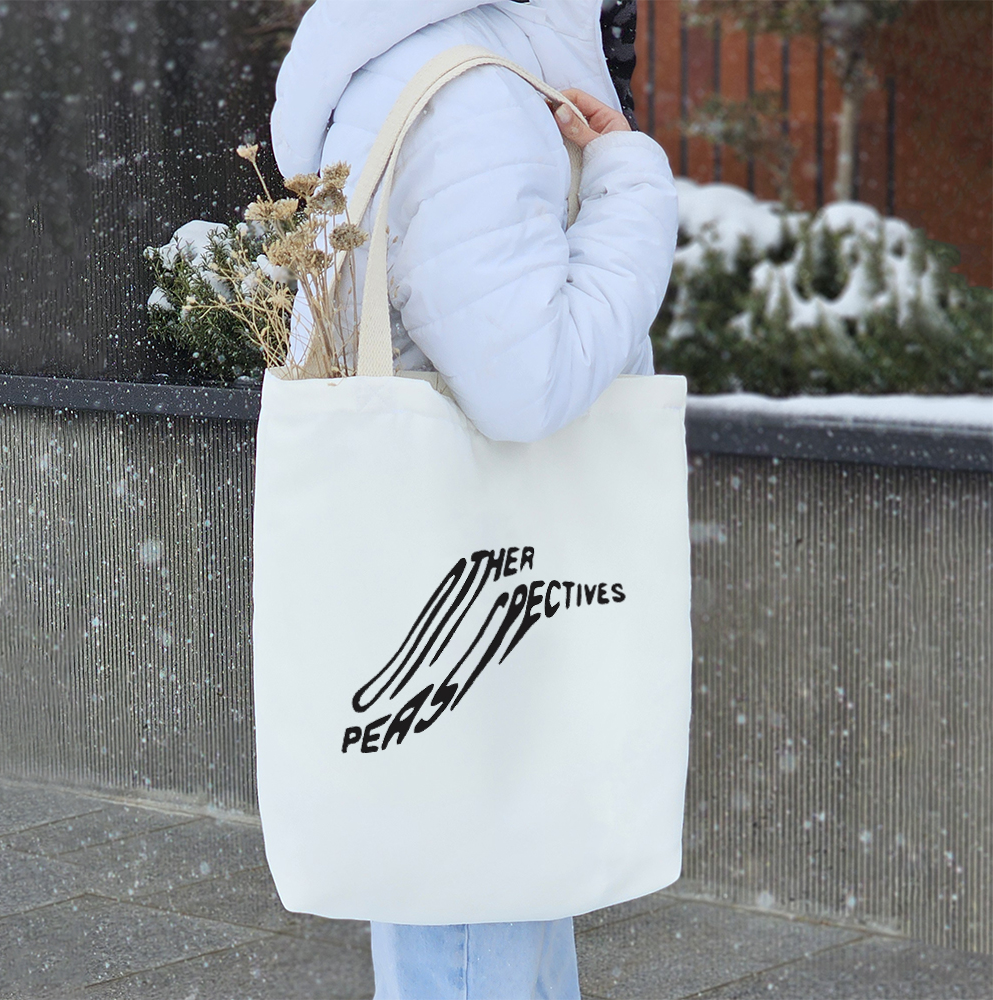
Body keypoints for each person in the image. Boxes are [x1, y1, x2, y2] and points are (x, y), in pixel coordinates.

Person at [271, 1, 678, 996]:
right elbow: (525, 383)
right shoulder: (472, 94)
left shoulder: (424, 60)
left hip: (462, 592)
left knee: (482, 883)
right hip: (485, 609)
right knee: (475, 910)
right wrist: (630, 185)